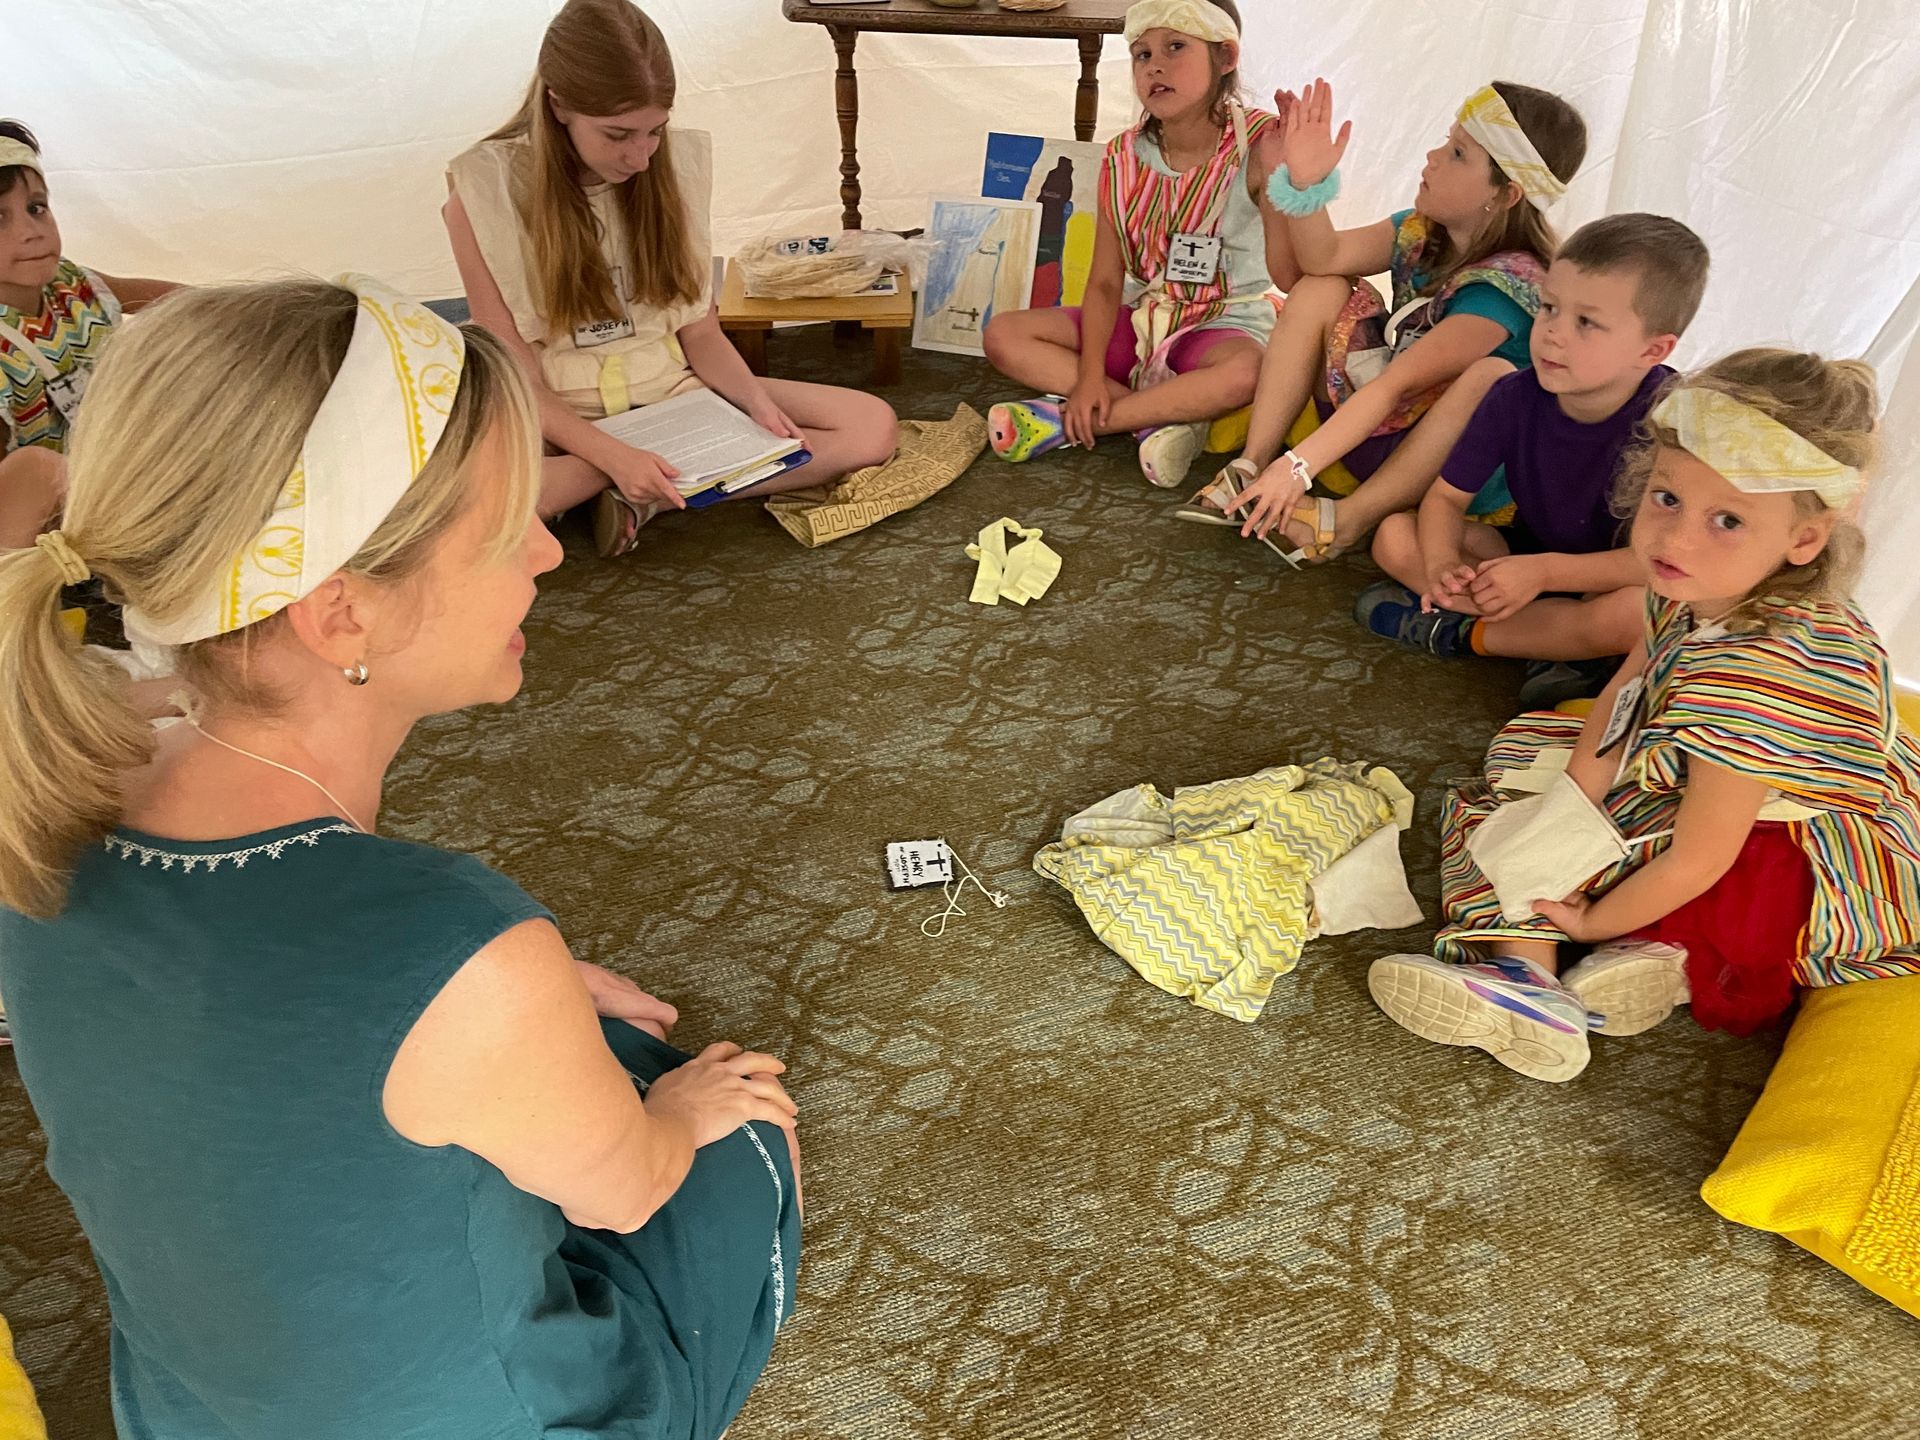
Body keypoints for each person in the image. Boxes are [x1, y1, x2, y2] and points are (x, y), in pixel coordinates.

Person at [0, 277, 801, 1438]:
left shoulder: (42, 788)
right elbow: (629, 1186)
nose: (545, 554)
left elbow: (246, 1009)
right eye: (503, 526)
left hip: (186, 1413)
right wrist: (675, 1101)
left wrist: (510, 1006)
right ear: (342, 617)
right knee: (745, 1124)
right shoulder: (460, 938)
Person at [1367, 349, 1920, 1081]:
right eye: (1666, 498)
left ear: (1804, 540)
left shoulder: (1757, 682)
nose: (1674, 538)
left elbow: (1702, 855)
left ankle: (1526, 976)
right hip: (1723, 787)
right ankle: (1635, 964)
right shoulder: (1696, 582)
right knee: (1536, 757)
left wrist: (1592, 917)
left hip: (1791, 847)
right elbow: (1631, 687)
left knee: (1497, 821)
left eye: (1726, 519)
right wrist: (1573, 802)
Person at [445, 0, 897, 557]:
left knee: (872, 425)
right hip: (561, 419)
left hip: (675, 396)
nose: (640, 156)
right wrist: (608, 455)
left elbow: (700, 334)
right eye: (618, 134)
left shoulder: (673, 171)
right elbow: (517, 376)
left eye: (655, 131)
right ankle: (627, 478)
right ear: (558, 104)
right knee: (470, 502)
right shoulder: (482, 195)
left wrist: (755, 404)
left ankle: (647, 494)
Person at [1189, 79, 1585, 565]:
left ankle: (1348, 519)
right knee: (1323, 286)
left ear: (1506, 194)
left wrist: (1299, 466)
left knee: (1490, 379)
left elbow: (1397, 385)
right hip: (1375, 432)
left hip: (1445, 475)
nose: (1433, 157)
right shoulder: (1417, 232)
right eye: (1446, 141)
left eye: (1458, 153)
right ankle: (1251, 465)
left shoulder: (1507, 289)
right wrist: (1303, 183)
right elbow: (1318, 260)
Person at [1356, 213, 1709, 708]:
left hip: (1608, 577)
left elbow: (1658, 560)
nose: (1553, 334)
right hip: (1523, 555)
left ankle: (1466, 633)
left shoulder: (1675, 424)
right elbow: (1444, 499)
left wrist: (1546, 575)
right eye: (1548, 308)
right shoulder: (1512, 396)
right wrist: (1441, 564)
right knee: (1395, 535)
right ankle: (1550, 644)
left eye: (1586, 322)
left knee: (1643, 611)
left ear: (1653, 350)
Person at [981, 0, 1303, 492]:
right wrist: (1088, 374)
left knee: (1246, 373)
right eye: (1141, 54)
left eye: (1176, 47)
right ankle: (1157, 419)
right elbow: (1107, 282)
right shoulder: (1121, 155)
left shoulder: (1259, 144)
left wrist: (1288, 178)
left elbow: (1288, 274)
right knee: (1003, 334)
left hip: (1223, 323)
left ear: (1226, 58)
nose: (1155, 65)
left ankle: (1079, 421)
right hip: (1144, 319)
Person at [0, 120, 177, 547]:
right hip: (32, 519)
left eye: (37, 207)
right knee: (36, 471)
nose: (30, 229)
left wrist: (250, 313)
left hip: (98, 479)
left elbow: (170, 302)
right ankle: (17, 594)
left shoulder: (71, 283)